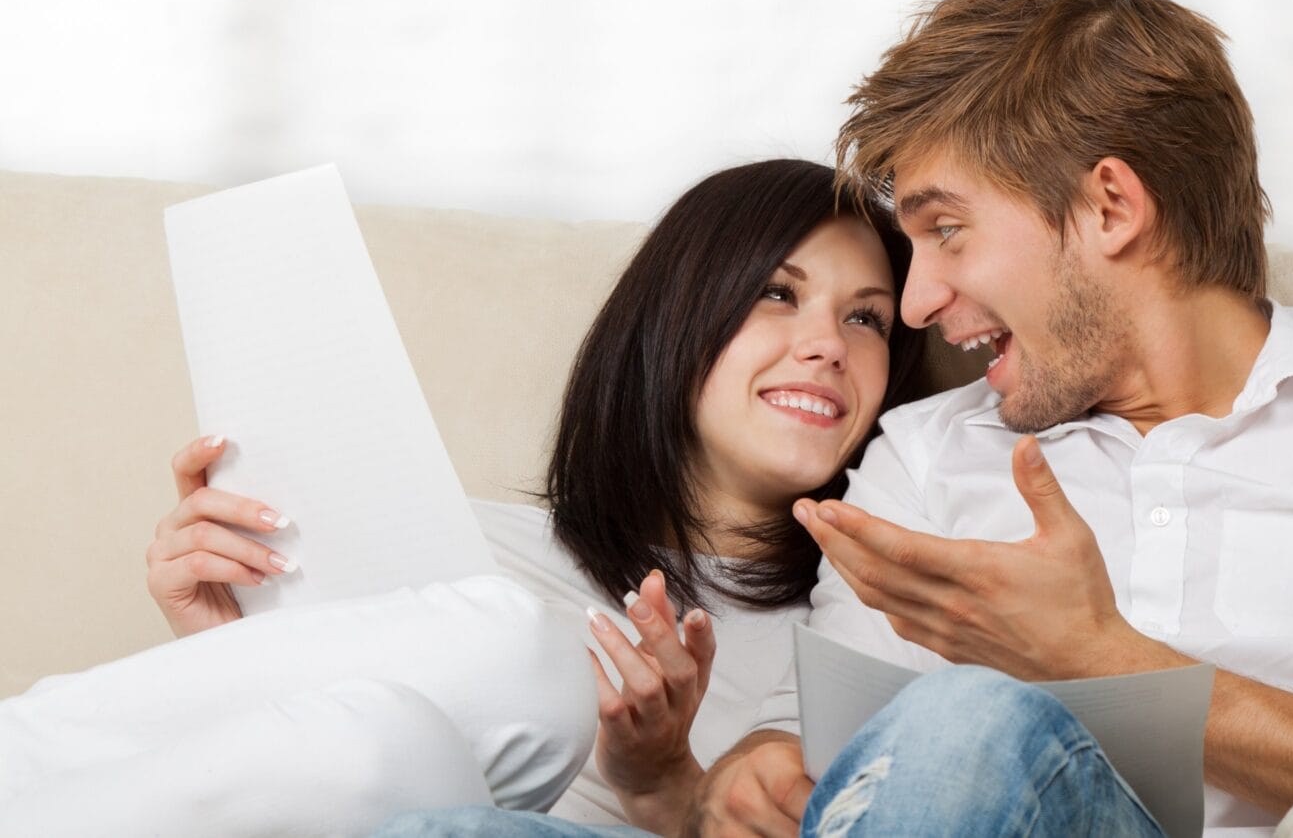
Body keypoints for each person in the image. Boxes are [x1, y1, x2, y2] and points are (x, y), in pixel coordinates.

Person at [679, 0, 1293, 838]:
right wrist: (758, 767)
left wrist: (1095, 658)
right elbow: (848, 765)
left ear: (1111, 207)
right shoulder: (921, 456)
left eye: (948, 231)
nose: (916, 304)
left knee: (972, 716)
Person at [0, 159, 925, 836]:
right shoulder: (458, 546)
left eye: (866, 317)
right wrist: (236, 653)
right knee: (402, 720)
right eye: (777, 292)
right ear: (675, 322)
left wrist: (672, 782)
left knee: (487, 677)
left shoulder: (862, 636)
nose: (827, 345)